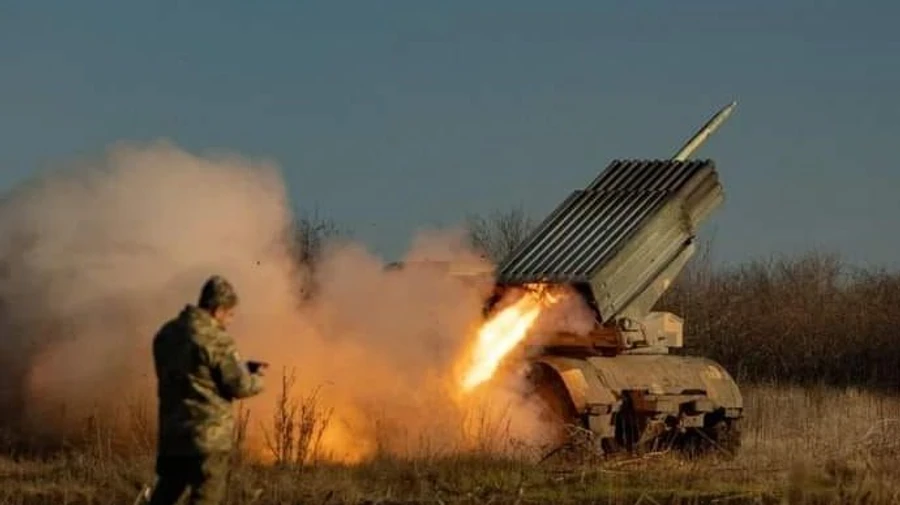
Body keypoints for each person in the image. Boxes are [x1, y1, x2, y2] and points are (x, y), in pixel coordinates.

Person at [147, 275, 266, 505]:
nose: (229, 322)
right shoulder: (217, 339)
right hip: (208, 440)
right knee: (206, 498)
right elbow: (237, 385)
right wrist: (256, 378)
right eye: (230, 315)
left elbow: (195, 375)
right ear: (218, 309)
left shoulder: (166, 334)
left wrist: (238, 368)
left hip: (173, 436)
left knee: (164, 497)